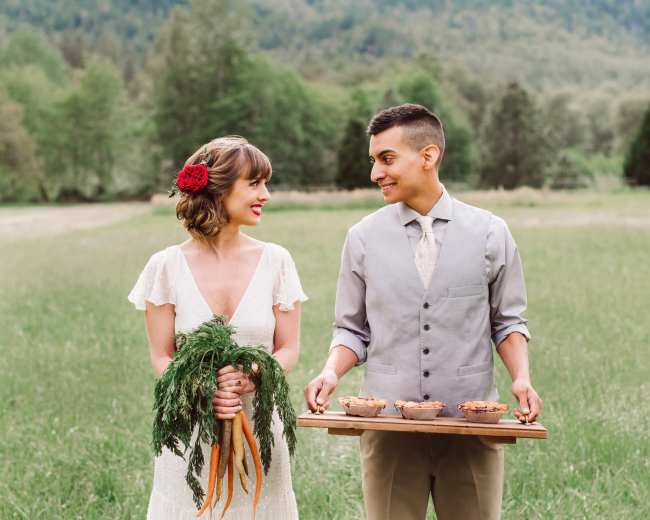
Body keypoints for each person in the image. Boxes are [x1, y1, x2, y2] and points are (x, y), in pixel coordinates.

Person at [304, 104, 542, 520]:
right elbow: (352, 330)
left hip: (471, 430)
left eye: (387, 159)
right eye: (374, 161)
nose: (375, 173)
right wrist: (330, 372)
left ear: (428, 156)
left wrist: (521, 377)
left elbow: (506, 322)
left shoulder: (490, 232)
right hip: (389, 431)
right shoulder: (361, 238)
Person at [128, 136, 307, 519]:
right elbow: (162, 356)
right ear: (219, 190)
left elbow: (288, 348)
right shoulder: (165, 266)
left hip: (260, 430)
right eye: (255, 184)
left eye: (266, 183)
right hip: (191, 434)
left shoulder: (277, 261)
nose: (267, 195)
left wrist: (255, 376)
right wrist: (202, 390)